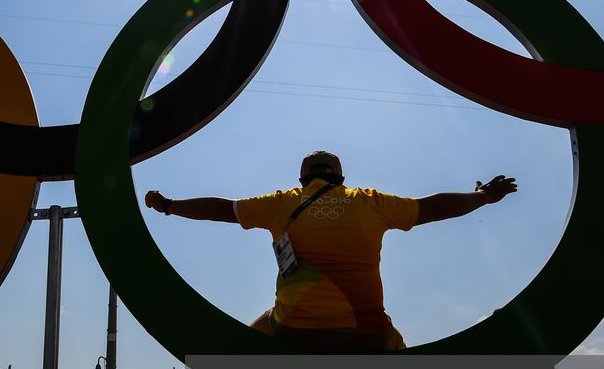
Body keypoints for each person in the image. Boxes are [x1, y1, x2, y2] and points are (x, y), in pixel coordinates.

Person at [143, 150, 516, 352]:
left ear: (302, 179)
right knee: (397, 345)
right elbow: (434, 207)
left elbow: (218, 209)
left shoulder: (281, 203)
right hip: (366, 333)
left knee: (249, 336)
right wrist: (484, 196)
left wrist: (170, 205)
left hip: (292, 329)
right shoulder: (369, 202)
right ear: (341, 178)